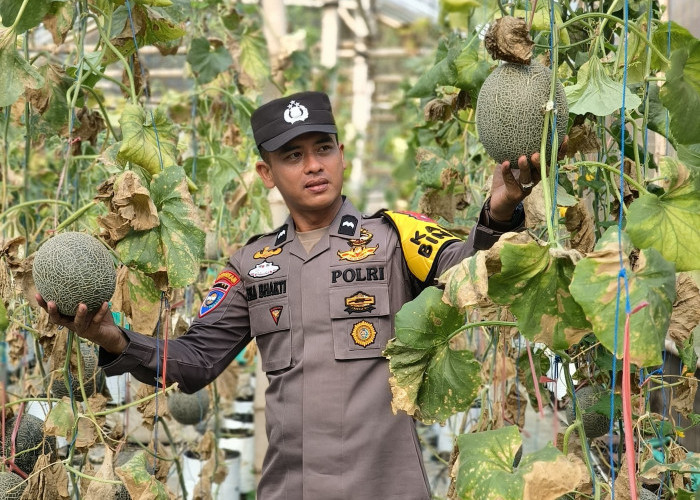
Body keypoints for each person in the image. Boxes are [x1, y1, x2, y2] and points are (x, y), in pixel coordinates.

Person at [38, 91, 562, 499]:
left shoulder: (395, 237)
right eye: (294, 155)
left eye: (323, 149)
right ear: (268, 174)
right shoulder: (249, 265)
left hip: (389, 487)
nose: (314, 166)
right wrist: (114, 338)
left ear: (342, 156)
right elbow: (195, 363)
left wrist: (500, 212)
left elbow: (468, 267)